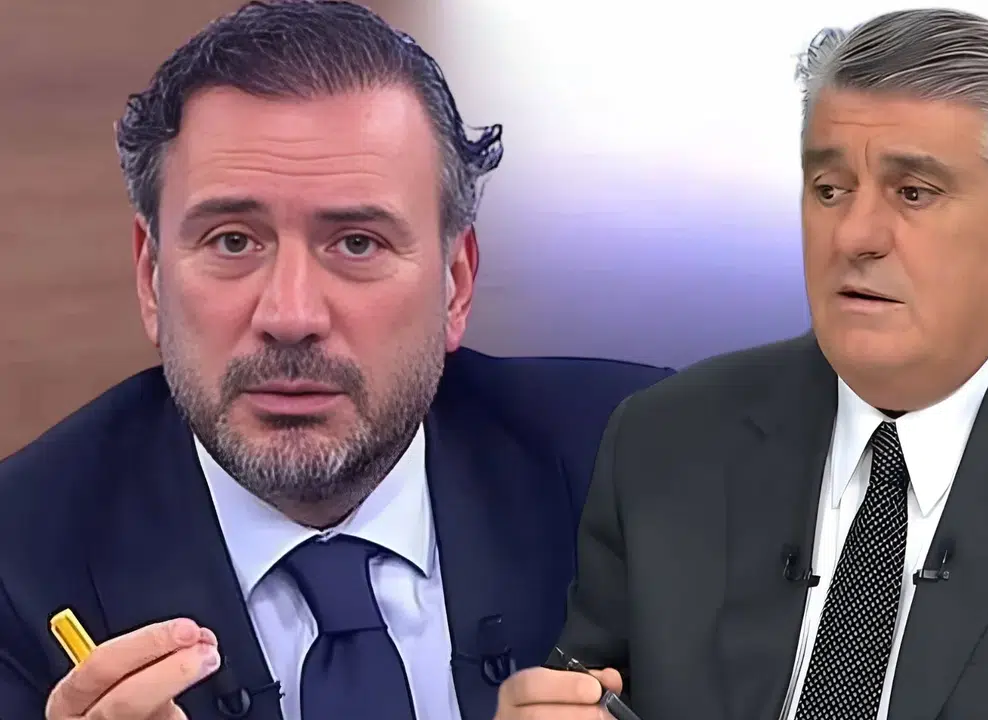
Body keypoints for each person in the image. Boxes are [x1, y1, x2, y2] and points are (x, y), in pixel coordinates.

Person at [495, 8, 988, 720]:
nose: (854, 235)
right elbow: (592, 689)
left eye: (912, 193)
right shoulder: (666, 440)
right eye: (829, 188)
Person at [0, 2, 672, 720]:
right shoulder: (18, 569)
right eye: (233, 241)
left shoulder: (655, 469)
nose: (291, 316)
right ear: (151, 277)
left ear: (455, 283)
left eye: (357, 243)